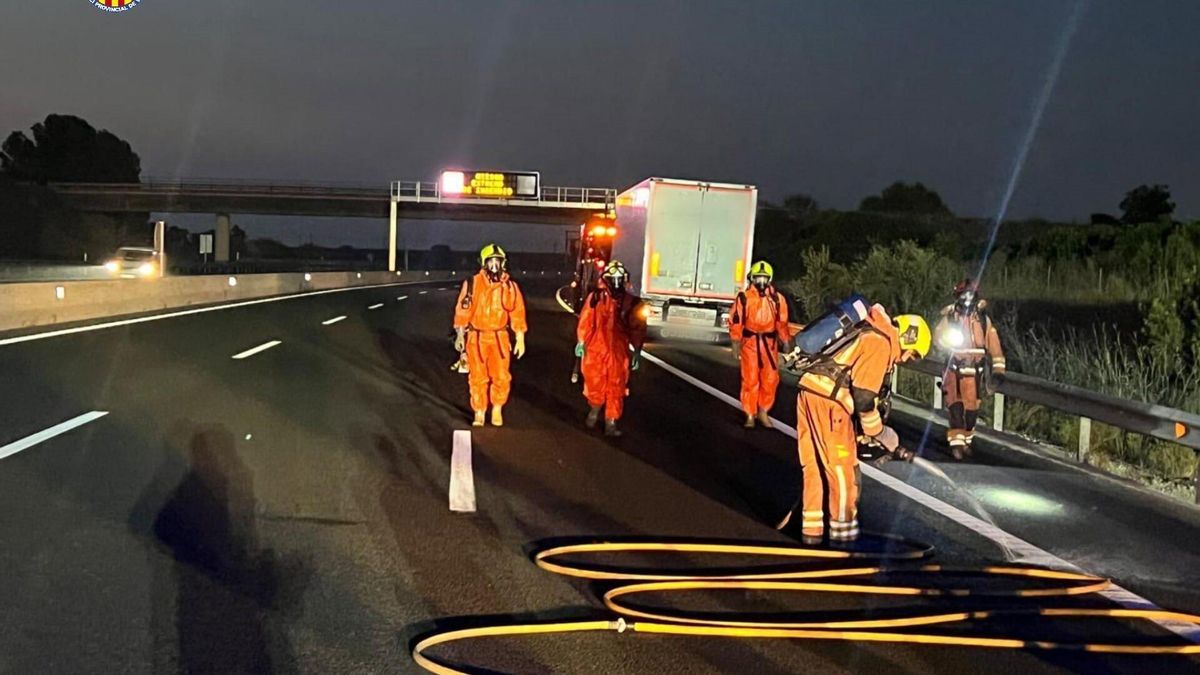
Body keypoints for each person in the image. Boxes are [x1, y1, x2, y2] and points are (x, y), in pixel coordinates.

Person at [783, 304, 931, 545]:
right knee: (842, 474)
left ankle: (811, 535)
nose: (906, 360)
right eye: (912, 354)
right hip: (831, 406)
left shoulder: (867, 331)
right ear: (907, 340)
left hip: (810, 394)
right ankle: (843, 542)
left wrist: (865, 434)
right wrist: (880, 433)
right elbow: (863, 398)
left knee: (814, 468)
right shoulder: (880, 343)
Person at [453, 244, 527, 427]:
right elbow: (463, 312)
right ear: (484, 263)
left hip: (499, 338)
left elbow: (517, 312)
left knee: (501, 376)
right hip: (476, 338)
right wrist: (460, 335)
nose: (494, 265)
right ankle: (479, 411)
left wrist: (520, 338)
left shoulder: (510, 287)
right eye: (490, 261)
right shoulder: (472, 284)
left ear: (503, 263)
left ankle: (497, 409)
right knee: (477, 377)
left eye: (497, 261)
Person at [934, 279, 1006, 459]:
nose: (967, 299)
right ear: (957, 297)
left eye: (970, 295)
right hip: (953, 371)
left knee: (971, 411)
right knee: (956, 408)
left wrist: (998, 371)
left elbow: (994, 347)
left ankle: (966, 441)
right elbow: (937, 338)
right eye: (963, 295)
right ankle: (957, 446)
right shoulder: (949, 319)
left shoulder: (983, 321)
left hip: (975, 373)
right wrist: (945, 343)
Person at [576, 261, 647, 437]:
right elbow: (586, 320)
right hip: (596, 348)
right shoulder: (595, 298)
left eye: (619, 279)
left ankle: (611, 422)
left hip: (618, 350)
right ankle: (594, 409)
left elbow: (637, 327)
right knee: (595, 383)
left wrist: (637, 350)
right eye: (612, 278)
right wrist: (581, 341)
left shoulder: (632, 303)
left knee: (616, 386)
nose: (616, 282)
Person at [729, 260, 793, 429]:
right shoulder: (744, 298)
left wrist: (785, 341)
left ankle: (763, 411)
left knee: (771, 379)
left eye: (764, 278)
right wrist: (735, 343)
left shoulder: (777, 299)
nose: (761, 282)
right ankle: (750, 413)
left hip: (770, 344)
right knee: (750, 379)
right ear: (752, 278)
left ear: (770, 279)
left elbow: (782, 322)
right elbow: (736, 321)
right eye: (758, 278)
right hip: (750, 343)